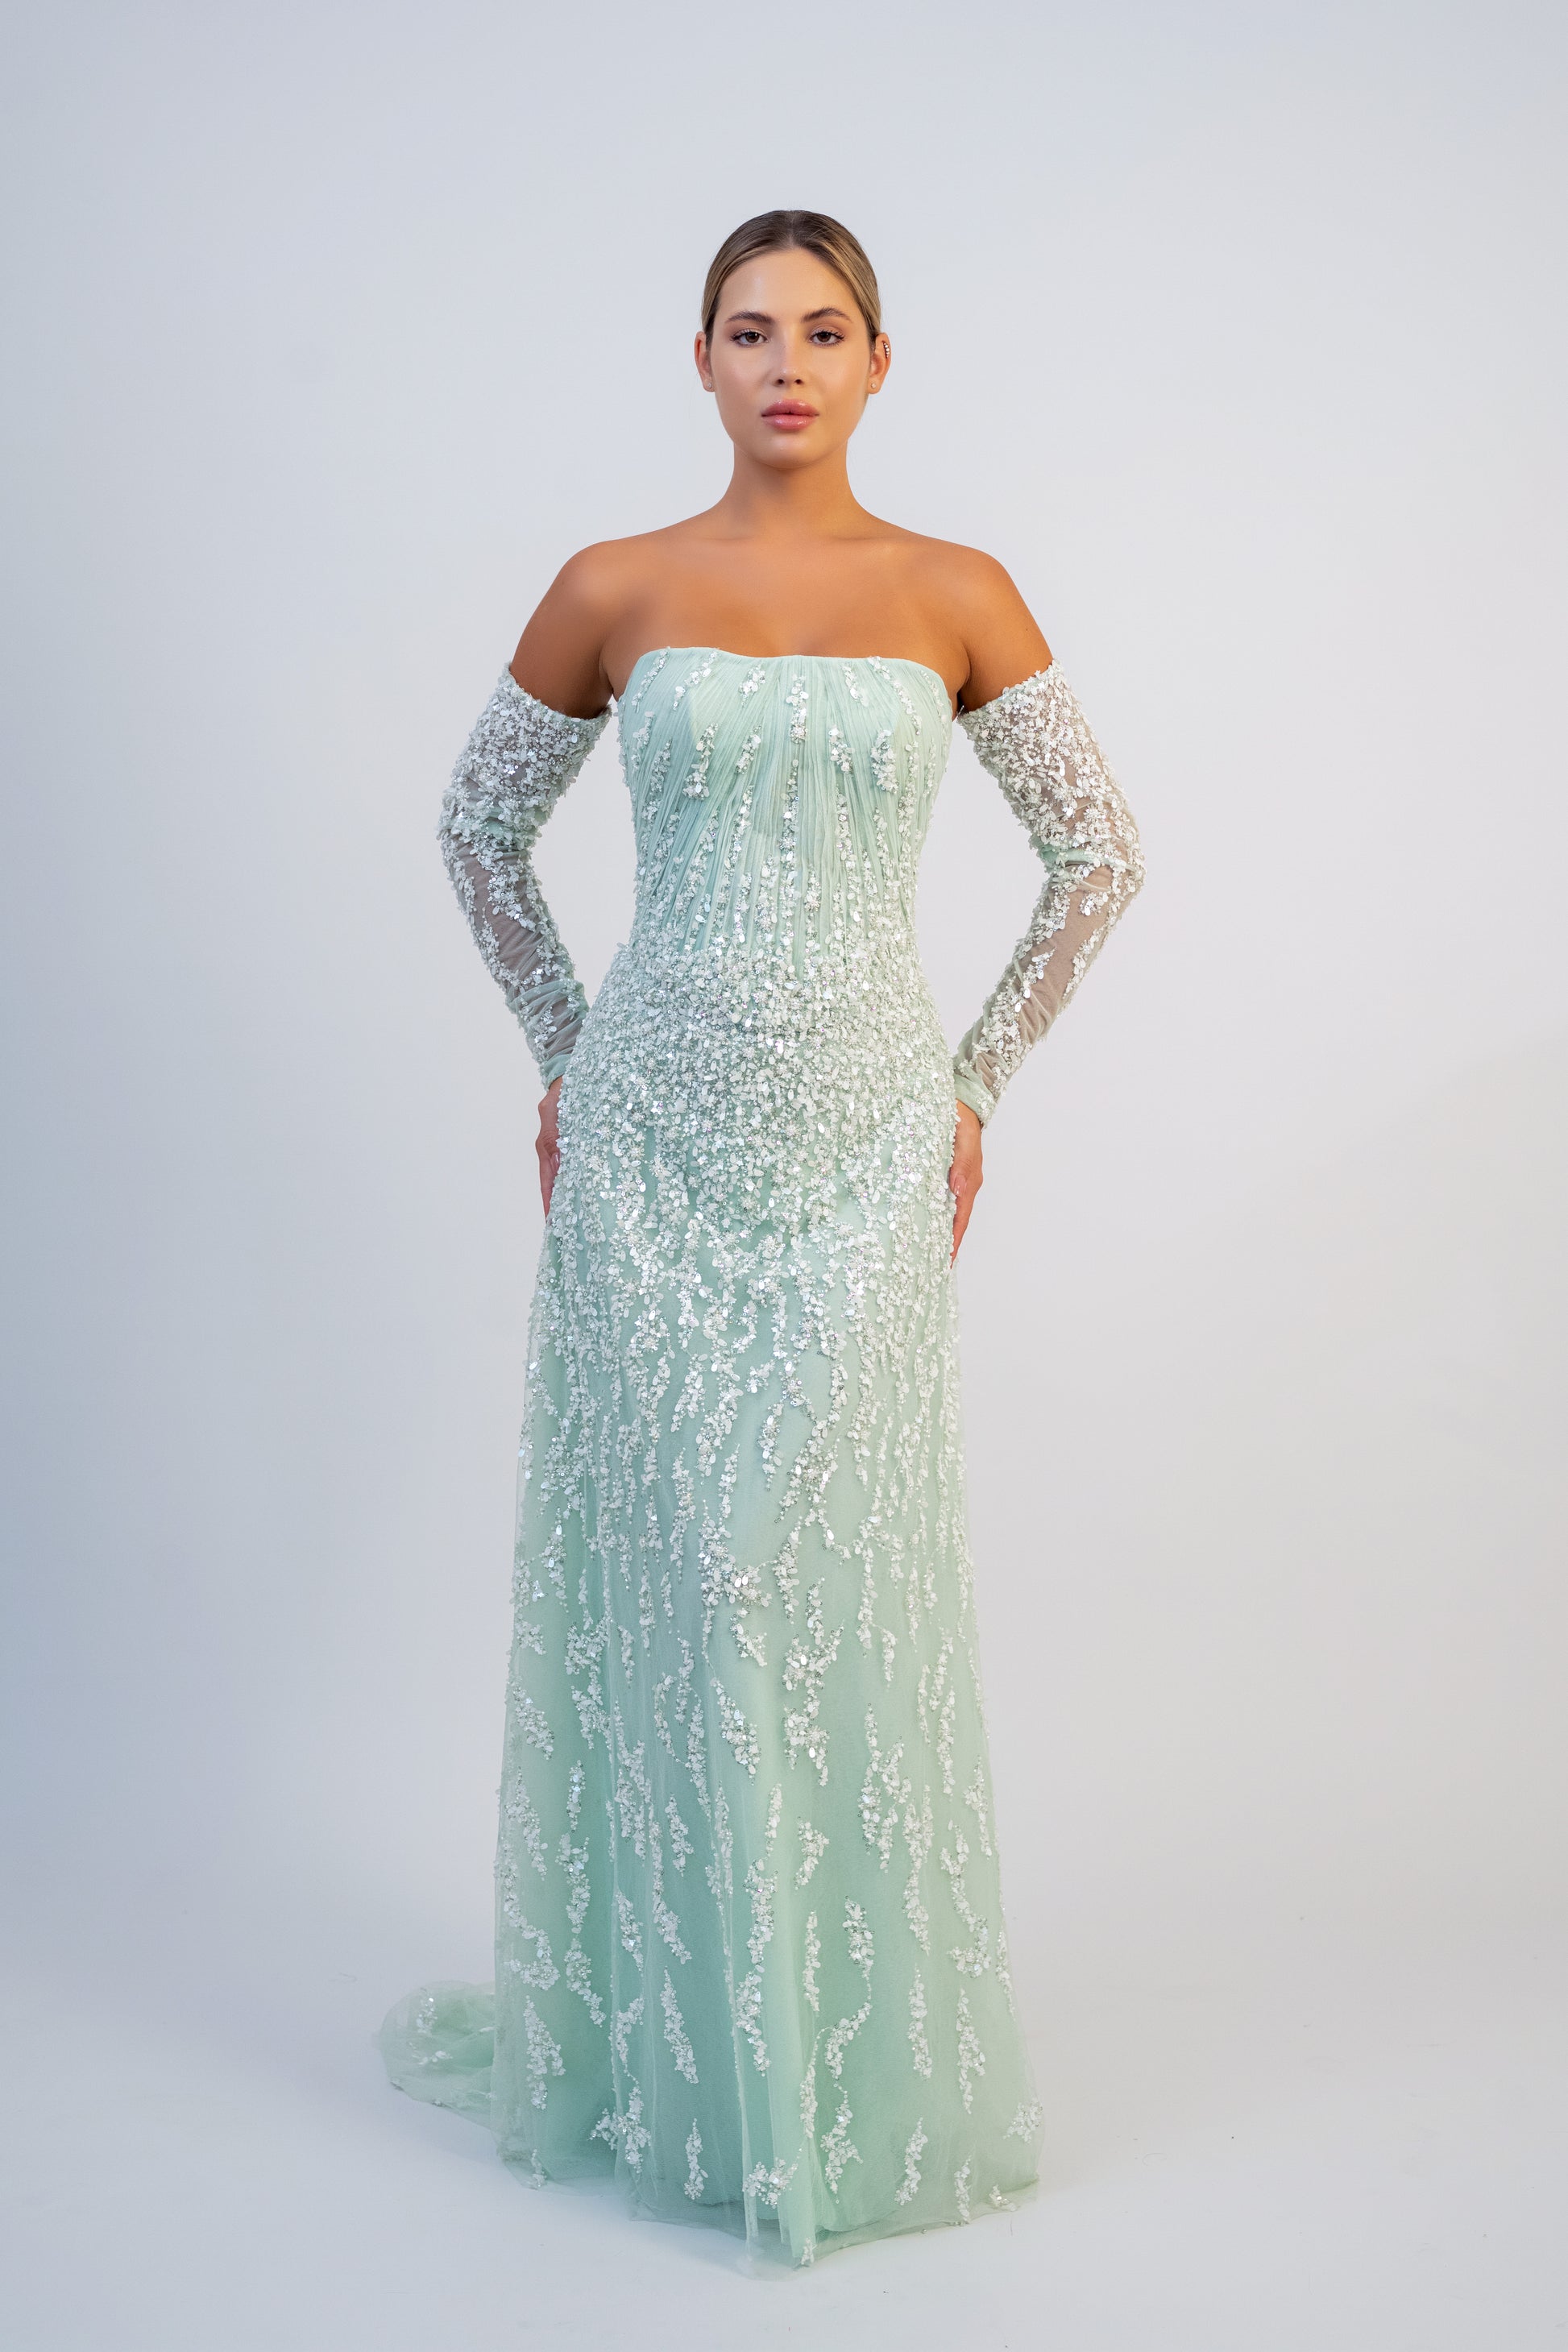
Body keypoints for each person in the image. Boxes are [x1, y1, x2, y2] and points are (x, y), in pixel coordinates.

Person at [378, 209, 1143, 2269]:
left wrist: (972, 1088)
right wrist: (566, 1048)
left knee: (812, 1569)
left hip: (866, 1137)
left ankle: (843, 2066)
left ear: (880, 361)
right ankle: (688, 2062)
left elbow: (1097, 852)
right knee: (683, 1573)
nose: (785, 363)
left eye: (822, 330)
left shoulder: (956, 590)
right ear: (700, 359)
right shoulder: (613, 586)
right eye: (748, 330)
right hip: (649, 1138)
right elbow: (476, 827)